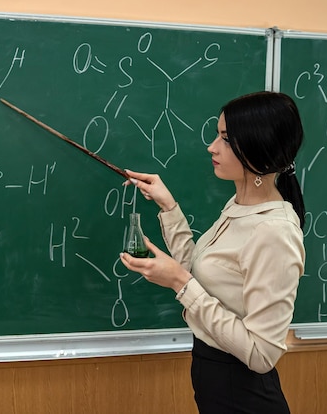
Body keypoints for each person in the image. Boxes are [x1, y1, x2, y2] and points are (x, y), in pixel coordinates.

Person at [120, 91, 306, 414]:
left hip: (244, 395)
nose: (212, 147)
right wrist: (168, 206)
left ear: (255, 148)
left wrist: (181, 284)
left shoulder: (275, 232)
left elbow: (262, 354)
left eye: (225, 139)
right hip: (215, 383)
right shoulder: (238, 207)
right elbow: (200, 270)